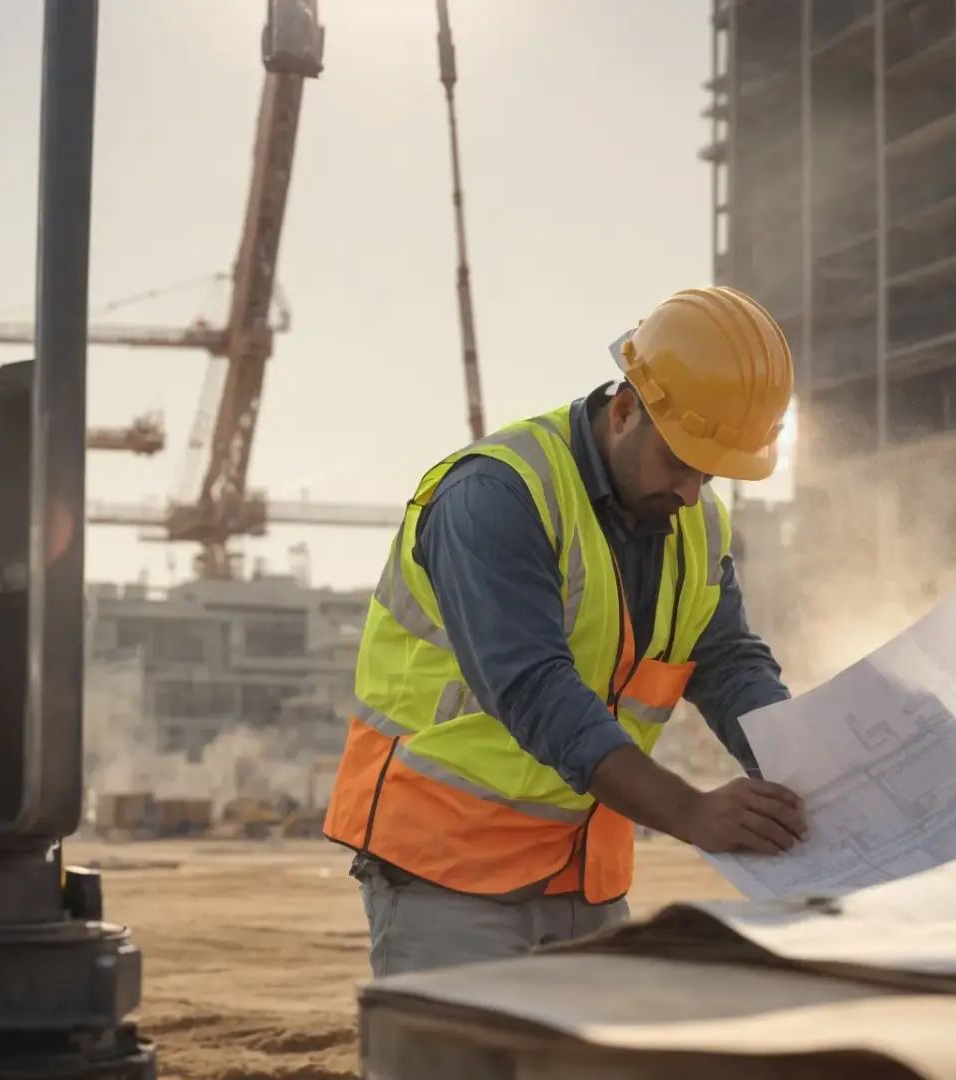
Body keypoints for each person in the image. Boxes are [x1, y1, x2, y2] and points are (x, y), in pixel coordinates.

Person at [324, 285, 810, 978]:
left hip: (582, 878)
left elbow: (728, 663)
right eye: (679, 462)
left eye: (709, 472)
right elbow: (533, 688)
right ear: (624, 410)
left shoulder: (694, 520)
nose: (690, 492)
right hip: (448, 874)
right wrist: (690, 811)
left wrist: (810, 766)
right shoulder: (495, 496)